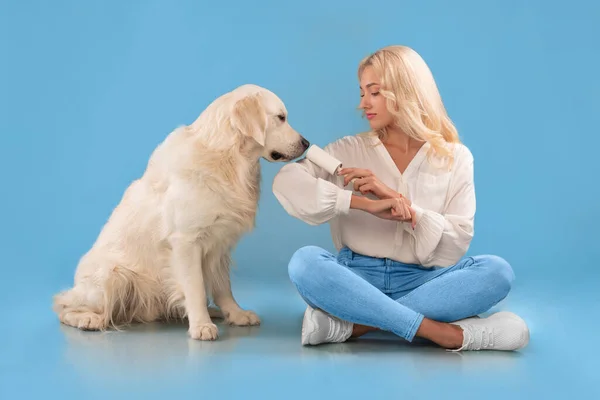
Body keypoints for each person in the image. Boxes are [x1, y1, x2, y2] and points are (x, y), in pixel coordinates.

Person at [271, 45, 530, 351]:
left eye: (374, 92)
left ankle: (355, 326)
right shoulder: (347, 150)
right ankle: (446, 334)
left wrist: (403, 206)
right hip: (355, 278)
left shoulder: (455, 157)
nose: (363, 104)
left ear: (405, 91)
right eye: (362, 93)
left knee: (497, 272)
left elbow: (455, 244)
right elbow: (286, 181)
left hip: (425, 281)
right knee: (305, 263)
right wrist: (360, 203)